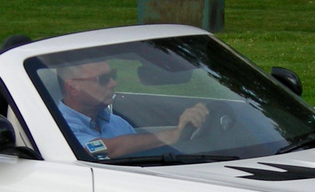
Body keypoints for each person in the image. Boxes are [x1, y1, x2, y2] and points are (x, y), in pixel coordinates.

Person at [56, 60, 207, 159]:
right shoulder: (57, 127)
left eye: (113, 75)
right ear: (73, 88)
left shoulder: (117, 123)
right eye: (103, 79)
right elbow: (102, 150)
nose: (113, 83)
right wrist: (173, 134)